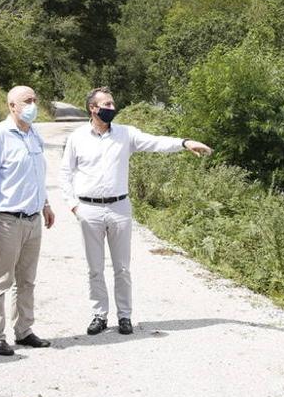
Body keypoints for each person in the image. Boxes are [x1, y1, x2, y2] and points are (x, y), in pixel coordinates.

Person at [61, 87, 211, 335]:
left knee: (122, 267)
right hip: (89, 209)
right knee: (95, 267)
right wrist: (74, 205)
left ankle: (124, 316)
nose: (111, 108)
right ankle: (99, 315)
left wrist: (184, 143)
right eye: (106, 104)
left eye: (112, 104)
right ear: (93, 108)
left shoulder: (125, 134)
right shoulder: (78, 138)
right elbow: (65, 173)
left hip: (119, 207)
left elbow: (156, 142)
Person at [0, 86, 56, 356]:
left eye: (35, 100)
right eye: (27, 101)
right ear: (12, 106)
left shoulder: (34, 134)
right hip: (7, 219)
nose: (33, 104)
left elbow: (37, 174)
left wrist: (45, 204)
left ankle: (24, 330)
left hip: (32, 219)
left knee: (27, 279)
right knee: (0, 279)